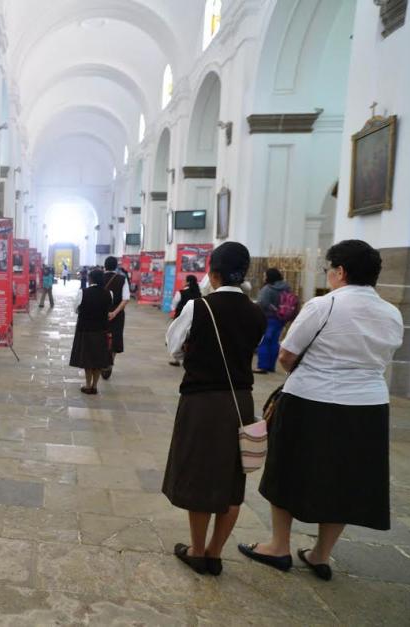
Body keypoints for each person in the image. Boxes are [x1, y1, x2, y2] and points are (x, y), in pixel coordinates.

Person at [239, 240, 403, 581]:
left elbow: (287, 354)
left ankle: (279, 546)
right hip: (368, 407)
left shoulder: (324, 306)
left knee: (286, 469)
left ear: (340, 271)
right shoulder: (392, 313)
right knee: (345, 478)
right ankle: (320, 554)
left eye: (329, 269)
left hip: (311, 401)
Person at [161, 242, 267, 576]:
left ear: (213, 270)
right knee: (232, 480)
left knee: (199, 476)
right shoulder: (256, 312)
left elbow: (174, 346)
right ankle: (215, 553)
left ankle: (197, 550)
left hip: (203, 401)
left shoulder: (199, 307)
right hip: (240, 400)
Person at [70, 268, 113, 394]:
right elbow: (108, 309)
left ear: (90, 279)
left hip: (85, 329)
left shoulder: (83, 293)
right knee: (99, 359)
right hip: (102, 330)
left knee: (87, 359)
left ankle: (88, 385)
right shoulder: (109, 293)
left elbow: (76, 310)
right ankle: (95, 385)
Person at [254, 268, 293, 373]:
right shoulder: (286, 288)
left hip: (268, 318)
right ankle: (271, 366)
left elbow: (262, 303)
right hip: (281, 318)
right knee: (274, 342)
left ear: (269, 276)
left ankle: (262, 366)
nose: (264, 277)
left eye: (265, 275)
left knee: (264, 342)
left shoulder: (267, 289)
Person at [101, 256, 130, 380]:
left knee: (100, 337)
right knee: (115, 337)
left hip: (100, 314)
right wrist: (114, 312)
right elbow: (126, 299)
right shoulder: (122, 279)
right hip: (116, 316)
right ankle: (109, 363)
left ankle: (100, 362)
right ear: (116, 266)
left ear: (105, 266)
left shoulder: (98, 276)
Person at [168, 275, 201, 366]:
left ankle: (177, 359)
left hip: (181, 318)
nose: (183, 282)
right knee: (190, 339)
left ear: (188, 282)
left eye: (184, 280)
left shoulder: (181, 292)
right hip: (194, 319)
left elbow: (174, 305)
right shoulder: (198, 294)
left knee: (178, 337)